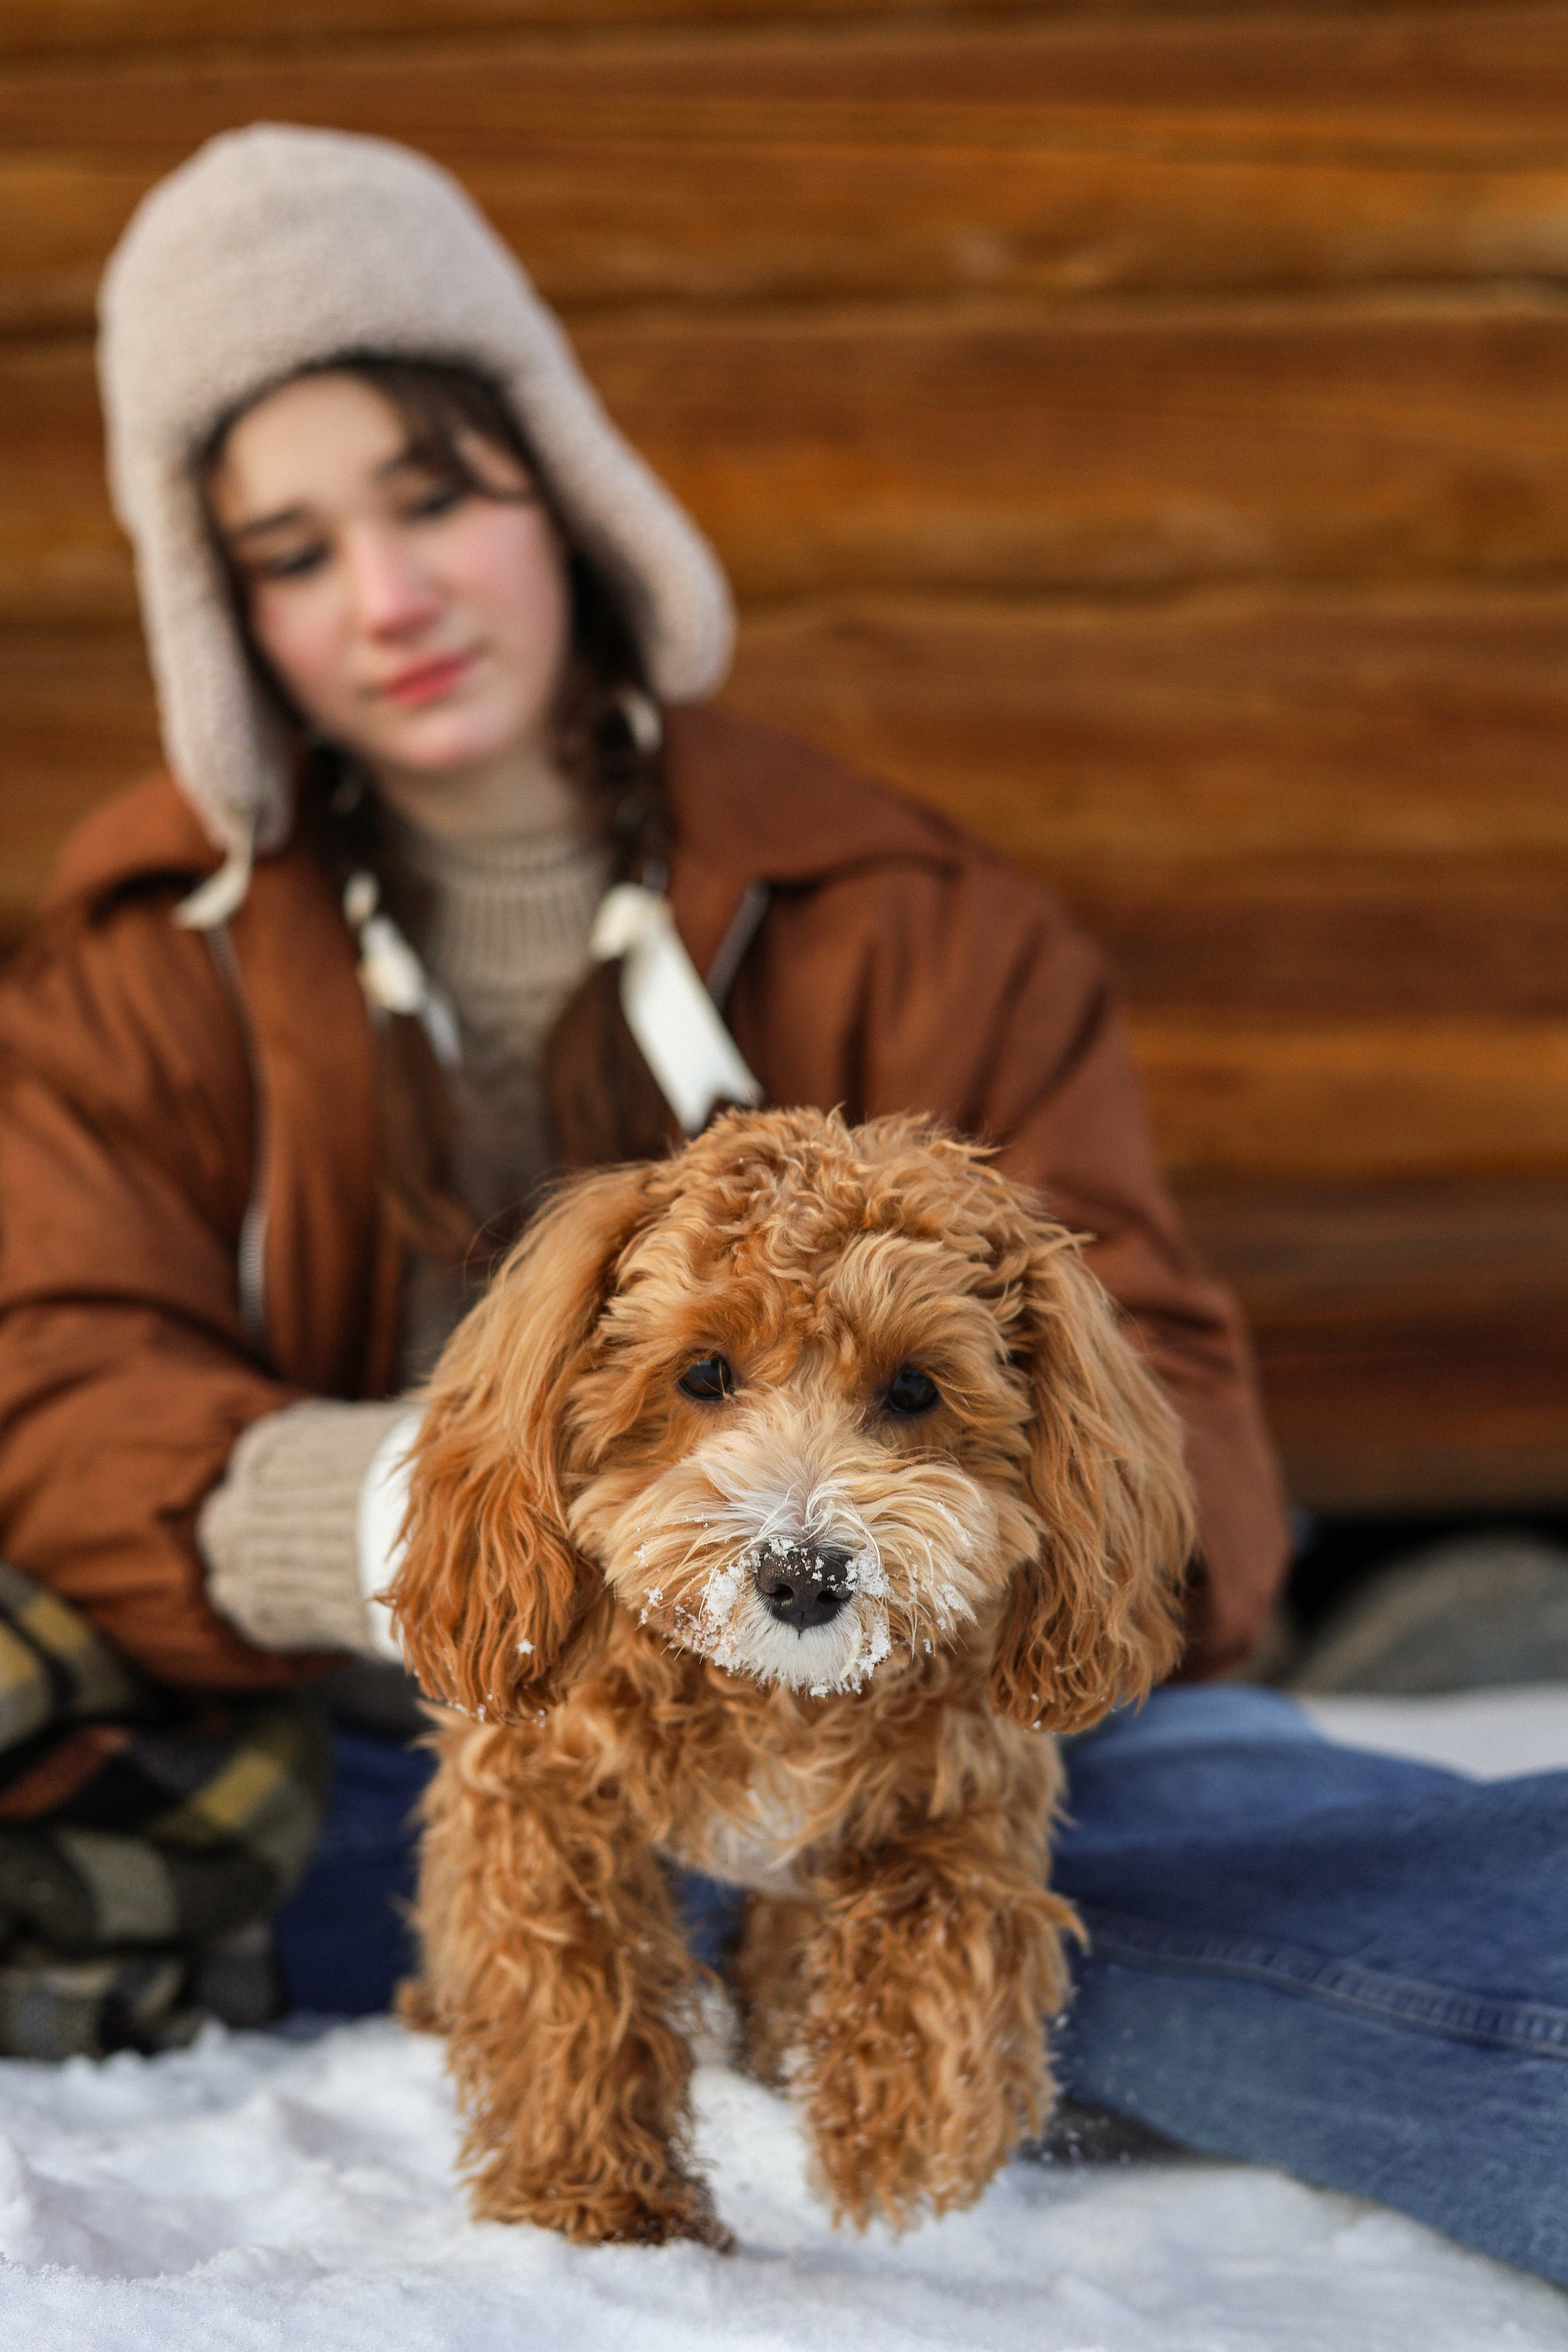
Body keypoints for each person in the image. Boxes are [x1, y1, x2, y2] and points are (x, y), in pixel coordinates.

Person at [0, 125, 1561, 2285]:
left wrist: (986, 1634)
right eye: (288, 548)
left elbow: (1175, 1403)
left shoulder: (921, 917)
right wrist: (424, 1530)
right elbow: (47, 1383)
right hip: (378, 1752)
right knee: (400, 1863)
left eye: (436, 492)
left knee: (1242, 1851)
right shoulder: (128, 973)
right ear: (220, 611)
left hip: (948, 1727)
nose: (390, 595)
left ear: (560, 486)